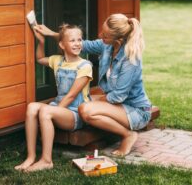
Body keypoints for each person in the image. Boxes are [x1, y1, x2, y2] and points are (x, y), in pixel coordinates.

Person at [35, 13, 152, 156]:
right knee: (86, 104)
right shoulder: (106, 46)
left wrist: (97, 101)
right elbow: (80, 44)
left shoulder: (130, 60)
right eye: (102, 31)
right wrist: (51, 34)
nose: (100, 35)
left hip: (136, 110)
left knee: (86, 109)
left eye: (105, 35)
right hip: (117, 104)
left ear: (118, 40)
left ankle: (128, 135)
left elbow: (118, 96)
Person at [14, 24, 93, 172]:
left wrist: (52, 111)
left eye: (80, 40)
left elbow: (71, 96)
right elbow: (40, 59)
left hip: (75, 113)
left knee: (46, 111)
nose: (77, 43)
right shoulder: (57, 60)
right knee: (32, 106)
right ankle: (31, 157)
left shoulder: (85, 65)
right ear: (62, 44)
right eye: (72, 40)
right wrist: (41, 42)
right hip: (59, 107)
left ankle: (46, 160)